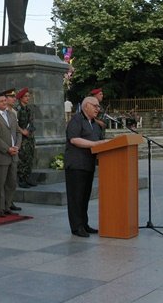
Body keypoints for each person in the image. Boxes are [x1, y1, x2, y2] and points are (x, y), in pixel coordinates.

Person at [65, 95, 108, 237]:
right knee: (76, 198)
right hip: (77, 165)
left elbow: (100, 141)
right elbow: (74, 139)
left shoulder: (94, 124)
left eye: (98, 106)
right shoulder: (77, 119)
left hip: (89, 165)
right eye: (95, 106)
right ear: (86, 106)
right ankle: (76, 227)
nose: (98, 109)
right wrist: (95, 144)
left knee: (84, 197)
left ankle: (84, 224)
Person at [16, 88, 37, 188]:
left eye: (29, 96)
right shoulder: (18, 109)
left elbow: (31, 122)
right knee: (23, 158)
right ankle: (21, 178)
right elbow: (14, 124)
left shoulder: (28, 109)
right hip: (22, 138)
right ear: (20, 98)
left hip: (29, 137)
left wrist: (29, 131)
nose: (28, 98)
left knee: (29, 157)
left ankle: (27, 177)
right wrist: (22, 131)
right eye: (26, 96)